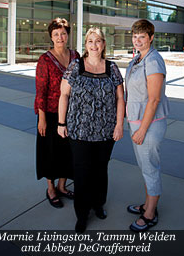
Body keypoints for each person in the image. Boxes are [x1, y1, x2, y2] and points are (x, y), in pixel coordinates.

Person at [58, 27, 125, 233]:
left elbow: (120, 98)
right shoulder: (75, 66)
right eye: (90, 41)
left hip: (106, 132)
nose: (94, 45)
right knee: (82, 173)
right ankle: (82, 213)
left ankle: (98, 204)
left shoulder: (112, 67)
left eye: (98, 41)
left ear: (103, 44)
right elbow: (64, 95)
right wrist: (61, 123)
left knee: (100, 170)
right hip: (79, 131)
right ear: (85, 45)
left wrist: (119, 125)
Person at [125, 19, 169, 232]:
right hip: (137, 123)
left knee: (150, 167)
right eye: (135, 36)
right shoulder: (138, 59)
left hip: (149, 126)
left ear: (151, 38)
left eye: (142, 36)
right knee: (145, 167)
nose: (138, 40)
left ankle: (150, 214)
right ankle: (147, 204)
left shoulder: (153, 61)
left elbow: (154, 100)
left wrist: (142, 129)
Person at [34, 18, 79, 208]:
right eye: (56, 34)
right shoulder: (45, 60)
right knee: (50, 151)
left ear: (67, 34)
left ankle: (62, 186)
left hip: (71, 113)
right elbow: (40, 91)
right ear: (51, 37)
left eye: (63, 33)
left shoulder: (76, 55)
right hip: (51, 114)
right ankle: (51, 188)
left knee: (67, 151)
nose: (60, 37)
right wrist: (42, 118)